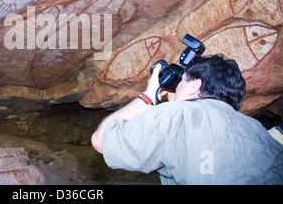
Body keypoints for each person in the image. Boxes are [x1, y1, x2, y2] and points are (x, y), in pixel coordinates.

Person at [91, 54, 283, 184]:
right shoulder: (256, 129)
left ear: (194, 86)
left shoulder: (175, 115)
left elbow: (101, 140)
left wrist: (149, 96)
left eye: (182, 81)